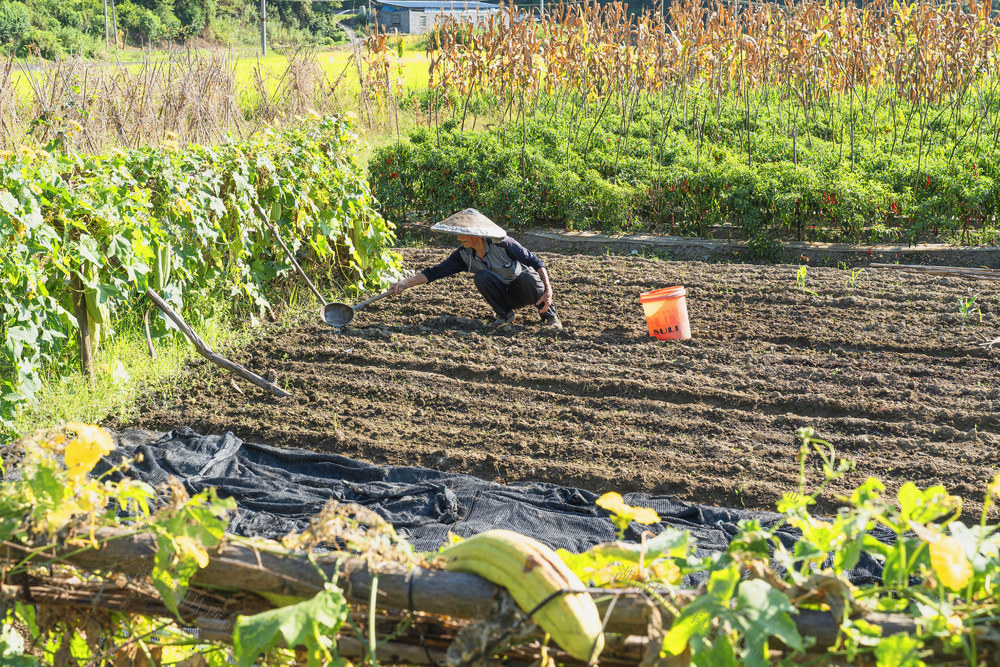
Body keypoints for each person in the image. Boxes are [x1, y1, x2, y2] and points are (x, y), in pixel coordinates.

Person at [389, 209, 562, 329]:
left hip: (525, 290)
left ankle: (550, 317)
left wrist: (548, 290)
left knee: (528, 277)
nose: (459, 237)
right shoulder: (463, 256)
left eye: (464, 232)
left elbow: (536, 262)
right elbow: (434, 272)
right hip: (504, 296)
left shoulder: (503, 244)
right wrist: (404, 284)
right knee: (481, 277)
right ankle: (504, 315)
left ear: (476, 233)